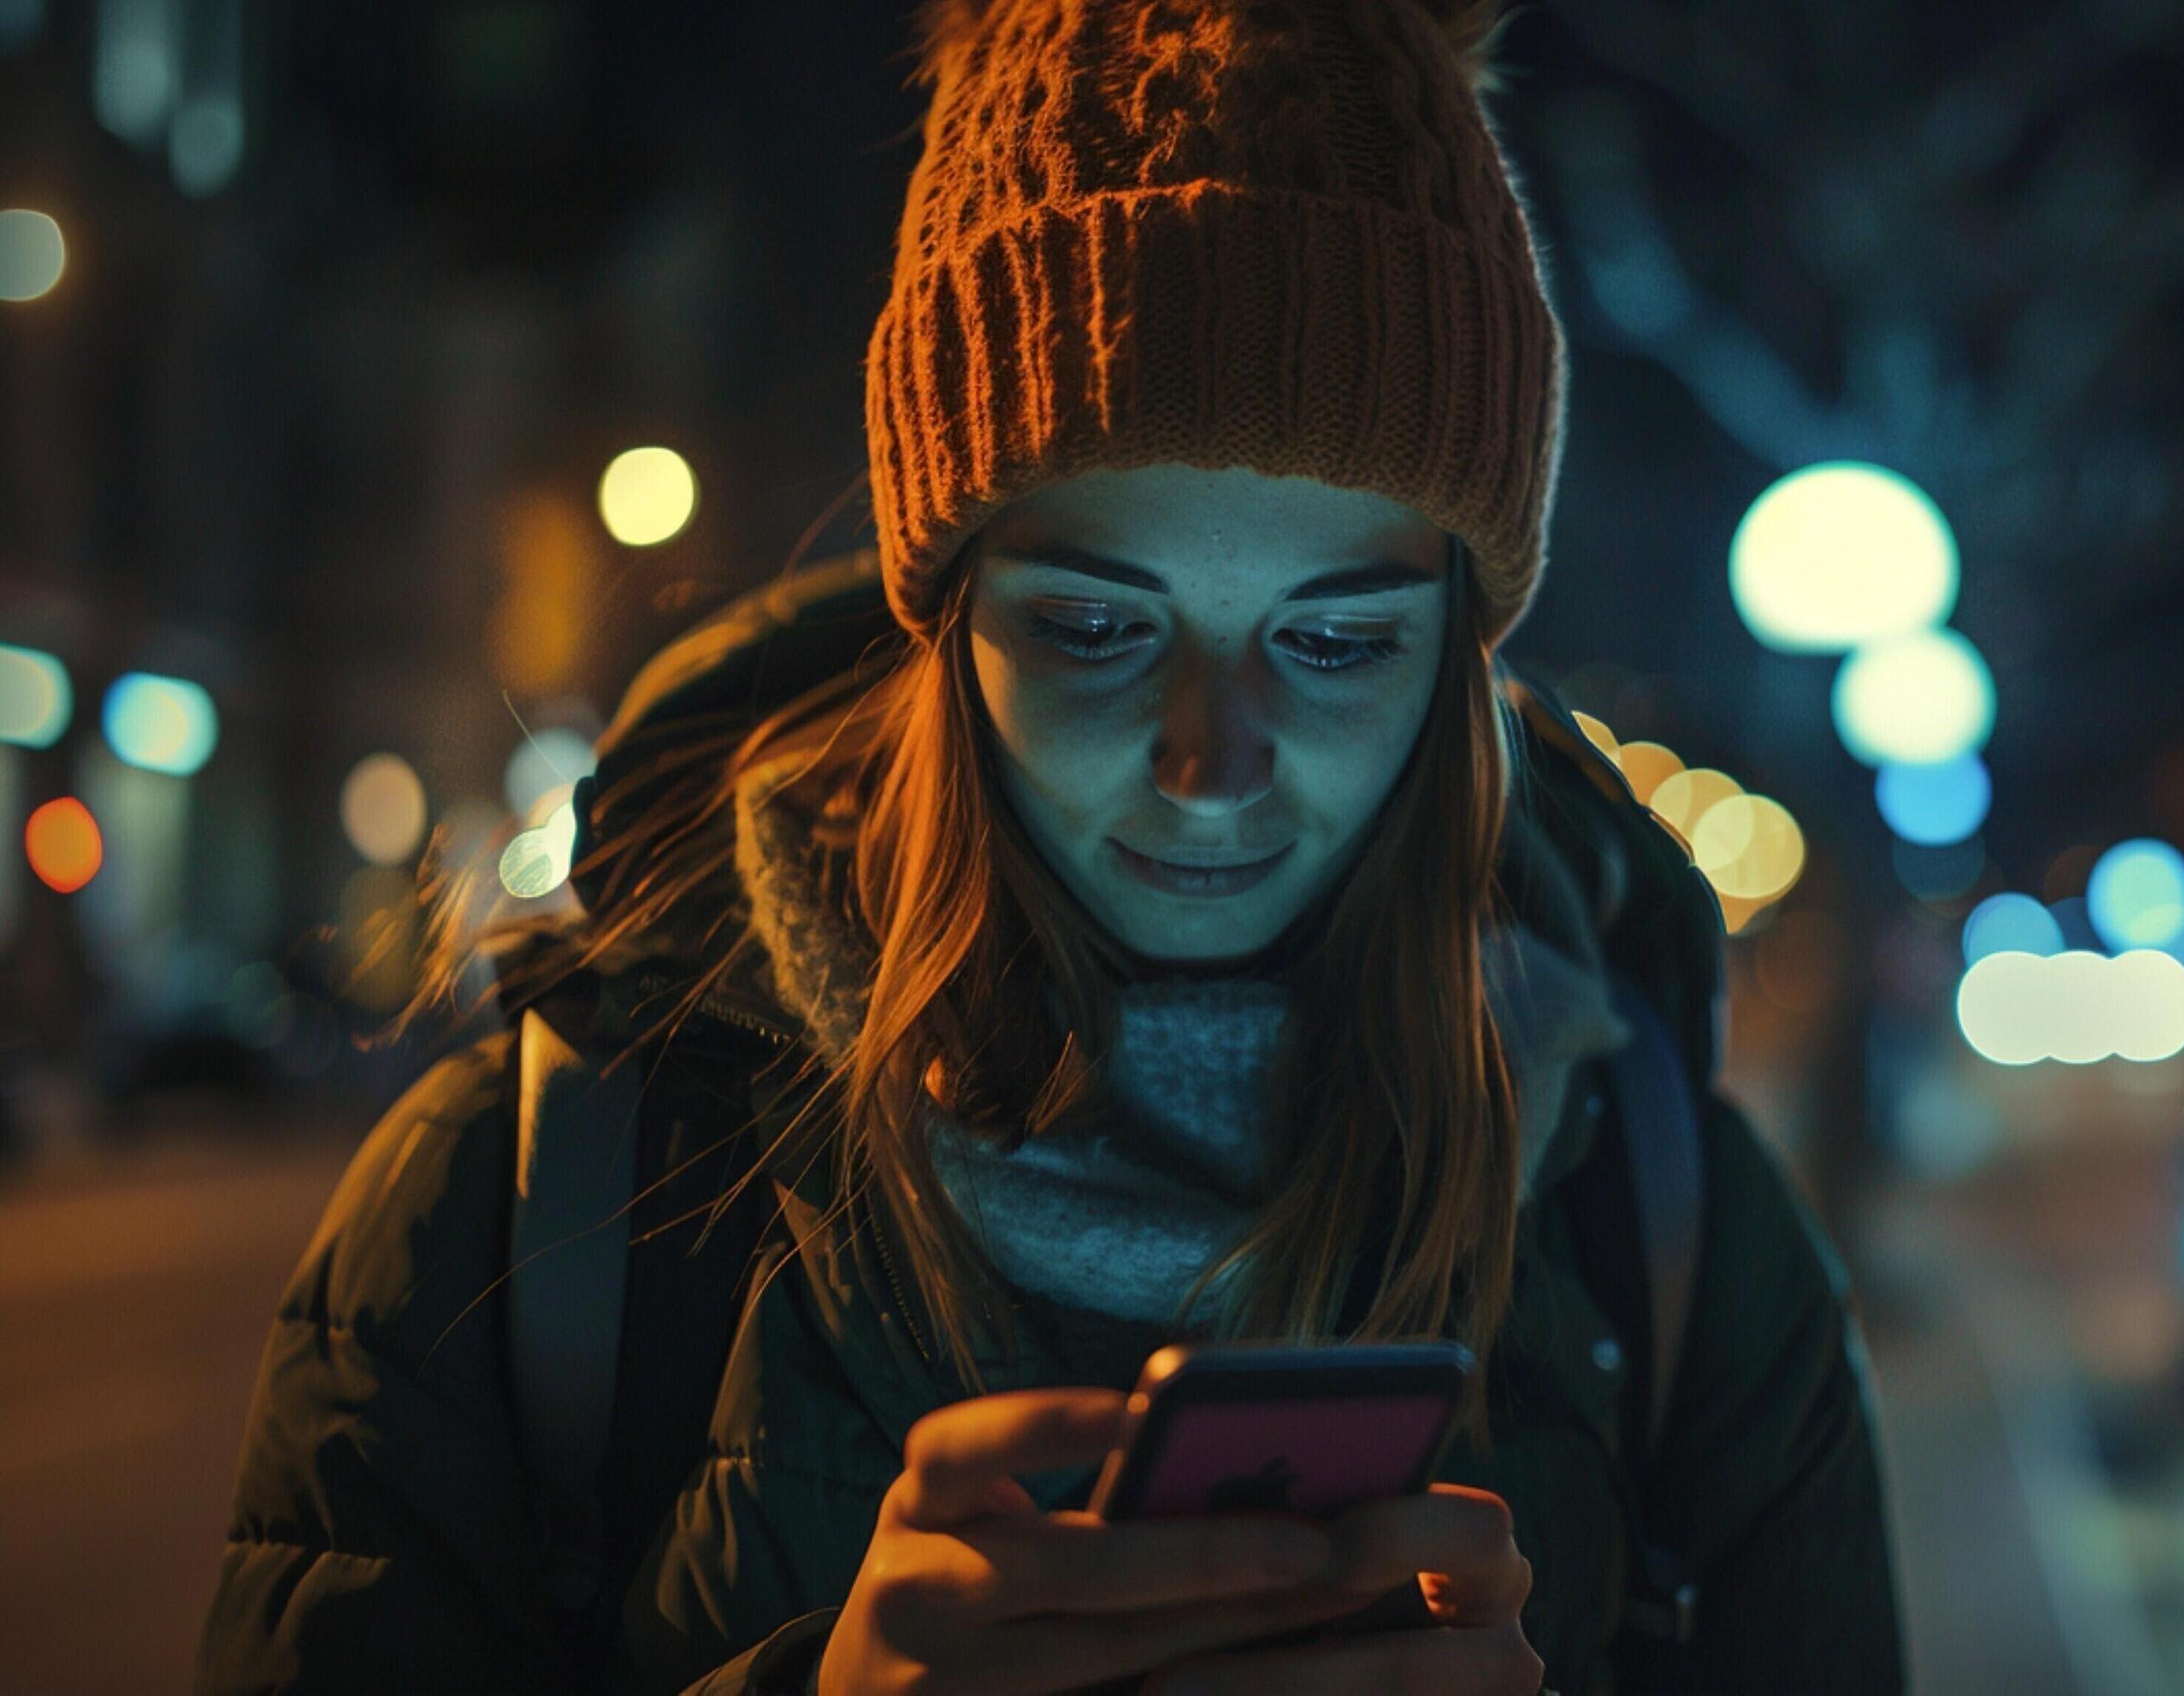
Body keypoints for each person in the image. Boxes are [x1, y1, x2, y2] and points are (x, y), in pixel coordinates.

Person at [196, 2, 1905, 1691]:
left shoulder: (1668, 1225)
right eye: (1097, 625)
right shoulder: (525, 1208)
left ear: (1461, 657)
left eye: (1334, 638)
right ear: (946, 620)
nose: (1211, 766)